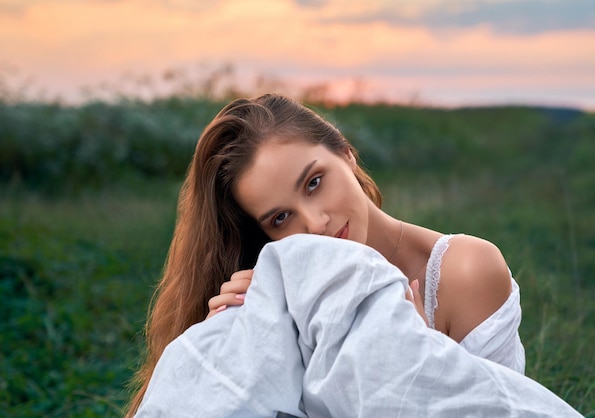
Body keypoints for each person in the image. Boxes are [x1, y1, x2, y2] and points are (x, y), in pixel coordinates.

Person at [125, 93, 525, 416]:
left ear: (346, 153)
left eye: (314, 182)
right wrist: (227, 350)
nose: (316, 224)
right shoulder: (279, 298)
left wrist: (415, 357)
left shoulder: (465, 272)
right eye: (281, 218)